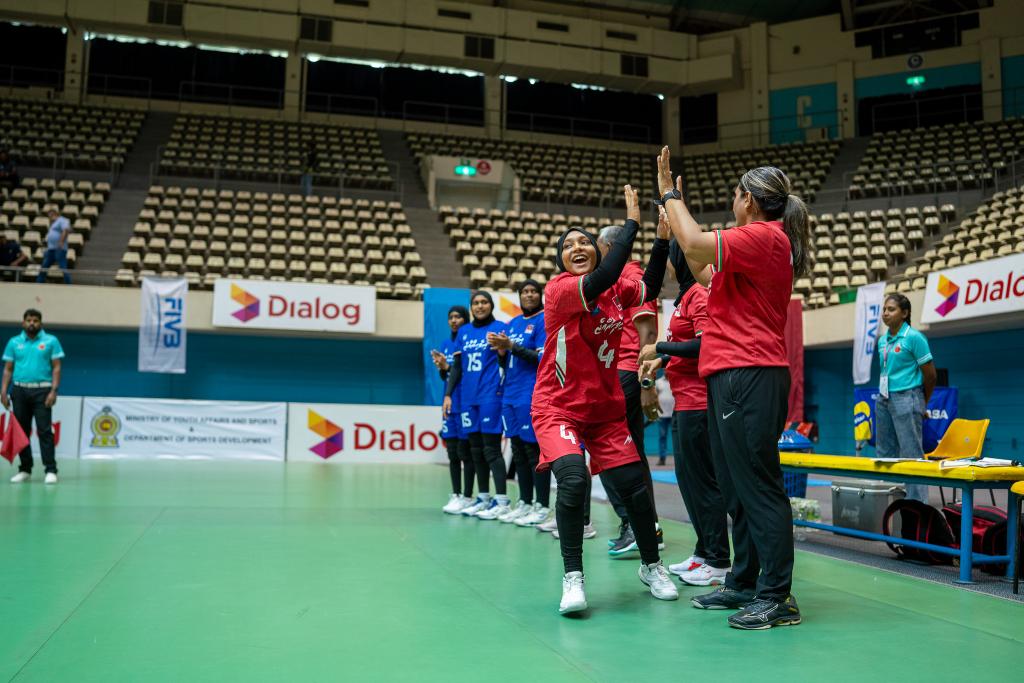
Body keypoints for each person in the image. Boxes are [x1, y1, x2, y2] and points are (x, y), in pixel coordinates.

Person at [659, 146, 808, 629]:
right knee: (736, 488)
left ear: (749, 199)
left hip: (751, 372)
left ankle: (777, 595)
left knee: (759, 486)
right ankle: (744, 581)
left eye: (735, 194)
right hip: (731, 373)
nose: (732, 200)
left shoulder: (764, 235)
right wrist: (675, 218)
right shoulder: (752, 244)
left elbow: (695, 241)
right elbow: (700, 263)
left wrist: (670, 194)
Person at [532, 184, 677, 615]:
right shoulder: (560, 290)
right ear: (561, 261)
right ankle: (573, 577)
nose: (576, 248)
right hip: (557, 407)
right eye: (568, 245)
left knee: (635, 490)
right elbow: (606, 275)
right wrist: (632, 223)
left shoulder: (616, 291)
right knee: (574, 480)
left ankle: (652, 566)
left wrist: (661, 241)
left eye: (584, 242)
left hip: (605, 409)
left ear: (597, 251)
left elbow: (649, 286)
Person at [639, 237, 732, 588]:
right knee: (688, 481)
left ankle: (718, 560)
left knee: (703, 483)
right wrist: (662, 359)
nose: (666, 265)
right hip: (683, 402)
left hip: (699, 403)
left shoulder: (698, 295)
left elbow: (706, 343)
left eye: (669, 258)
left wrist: (660, 346)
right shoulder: (684, 297)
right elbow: (684, 345)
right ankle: (703, 551)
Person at [595, 225, 663, 557]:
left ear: (610, 247)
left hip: (625, 373)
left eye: (597, 246)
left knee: (612, 451)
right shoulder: (614, 278)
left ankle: (638, 524)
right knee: (626, 451)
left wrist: (647, 384)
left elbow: (648, 333)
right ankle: (644, 526)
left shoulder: (633, 277)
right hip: (616, 373)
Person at [487, 279, 549, 525]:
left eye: (533, 291)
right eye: (525, 292)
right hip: (510, 394)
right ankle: (524, 502)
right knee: (517, 451)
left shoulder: (543, 320)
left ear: (540, 295)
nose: (529, 295)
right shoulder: (512, 323)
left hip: (530, 393)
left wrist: (511, 346)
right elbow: (505, 362)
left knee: (533, 452)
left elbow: (542, 358)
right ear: (519, 296)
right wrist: (502, 352)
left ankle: (541, 505)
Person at [443, 291, 510, 519]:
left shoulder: (500, 327)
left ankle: (502, 500)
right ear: (471, 307)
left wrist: (502, 352)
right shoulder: (464, 332)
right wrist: (449, 394)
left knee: (491, 449)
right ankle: (483, 498)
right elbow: (457, 367)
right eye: (476, 303)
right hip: (467, 399)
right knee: (475, 450)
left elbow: (506, 360)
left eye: (484, 302)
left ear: (491, 305)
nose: (480, 306)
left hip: (490, 395)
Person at [876, 293, 936, 503]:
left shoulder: (914, 338)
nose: (885, 313)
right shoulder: (882, 341)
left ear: (905, 313)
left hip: (908, 396)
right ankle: (887, 503)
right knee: (884, 453)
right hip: (883, 398)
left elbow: (931, 375)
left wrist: (922, 402)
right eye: (884, 309)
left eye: (891, 309)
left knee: (912, 454)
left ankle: (918, 507)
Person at [2, 309, 64, 484]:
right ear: (23, 323)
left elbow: (57, 367)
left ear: (40, 323)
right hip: (19, 390)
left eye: (35, 320)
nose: (32, 323)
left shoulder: (51, 341)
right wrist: (3, 391)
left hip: (42, 391)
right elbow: (8, 369)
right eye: (28, 320)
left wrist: (54, 390)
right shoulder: (14, 342)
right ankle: (25, 469)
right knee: (21, 432)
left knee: (45, 431)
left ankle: (50, 470)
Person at [432, 306, 475, 513]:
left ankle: (467, 496)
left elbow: (466, 373)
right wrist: (442, 368)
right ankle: (456, 494)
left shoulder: (470, 341)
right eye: (451, 317)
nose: (454, 320)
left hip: (465, 402)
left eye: (458, 317)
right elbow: (447, 377)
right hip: (449, 404)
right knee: (452, 453)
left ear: (465, 319)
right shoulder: (445, 344)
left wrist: (449, 368)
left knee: (466, 452)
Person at [36, 209, 71, 284]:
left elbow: (65, 230)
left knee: (63, 267)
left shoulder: (62, 220)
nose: (50, 217)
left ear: (55, 214)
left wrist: (61, 241)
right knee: (44, 266)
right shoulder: (53, 223)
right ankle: (39, 283)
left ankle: (68, 283)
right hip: (51, 249)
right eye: (49, 216)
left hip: (59, 249)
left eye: (51, 215)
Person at [654, 376, 673, 466]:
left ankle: (681, 458)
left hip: (675, 413)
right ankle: (662, 458)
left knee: (678, 437)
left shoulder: (674, 379)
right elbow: (654, 396)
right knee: (662, 437)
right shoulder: (658, 382)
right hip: (662, 415)